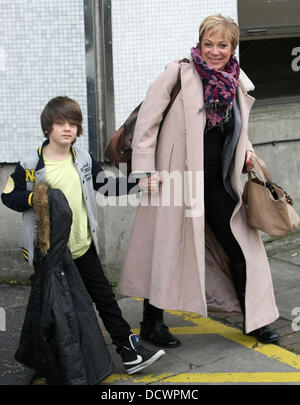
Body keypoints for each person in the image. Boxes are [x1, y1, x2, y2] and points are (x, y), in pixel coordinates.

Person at [118, 14, 280, 347]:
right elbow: (147, 124)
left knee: (239, 245)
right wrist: (144, 171)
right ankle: (152, 322)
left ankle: (254, 319)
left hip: (219, 180)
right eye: (209, 43)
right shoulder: (178, 73)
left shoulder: (236, 81)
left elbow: (238, 130)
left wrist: (246, 152)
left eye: (222, 44)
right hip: (175, 180)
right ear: (200, 43)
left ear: (232, 47)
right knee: (165, 247)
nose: (215, 51)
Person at [1, 96, 165, 376]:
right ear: (47, 128)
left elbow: (104, 187)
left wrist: (137, 183)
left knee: (105, 299)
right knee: (51, 308)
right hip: (50, 251)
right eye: (60, 123)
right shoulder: (31, 163)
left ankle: (129, 352)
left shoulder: (84, 158)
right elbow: (8, 196)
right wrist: (36, 198)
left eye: (73, 124)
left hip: (83, 245)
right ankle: (46, 359)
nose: (67, 129)